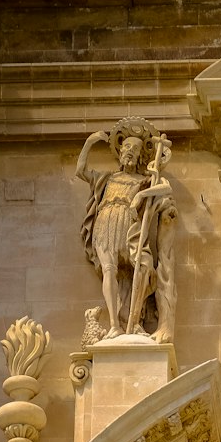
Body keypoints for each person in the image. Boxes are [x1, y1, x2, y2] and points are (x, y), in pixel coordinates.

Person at [75, 119, 176, 342]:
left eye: (135, 149)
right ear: (120, 152)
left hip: (130, 228)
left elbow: (166, 187)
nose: (130, 152)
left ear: (141, 156)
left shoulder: (145, 180)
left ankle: (135, 320)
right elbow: (80, 170)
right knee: (109, 270)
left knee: (143, 266)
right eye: (127, 148)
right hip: (107, 223)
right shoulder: (107, 178)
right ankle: (114, 325)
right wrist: (90, 143)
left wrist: (142, 195)